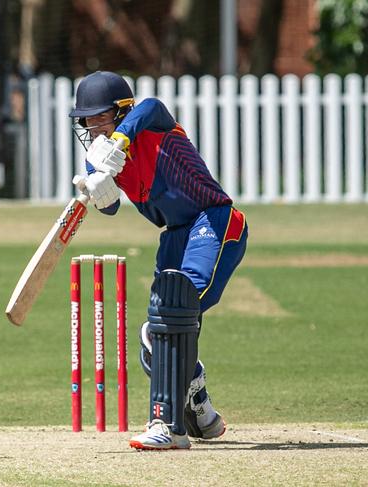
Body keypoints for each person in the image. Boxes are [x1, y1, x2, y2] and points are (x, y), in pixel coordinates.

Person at [69, 71, 248, 450]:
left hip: (212, 220)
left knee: (167, 322)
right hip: (173, 236)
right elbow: (113, 207)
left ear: (121, 113)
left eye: (99, 118)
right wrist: (98, 185)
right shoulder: (99, 159)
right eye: (86, 121)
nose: (92, 127)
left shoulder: (151, 127)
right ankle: (198, 405)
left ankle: (168, 428)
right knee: (159, 327)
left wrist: (120, 140)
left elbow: (152, 106)